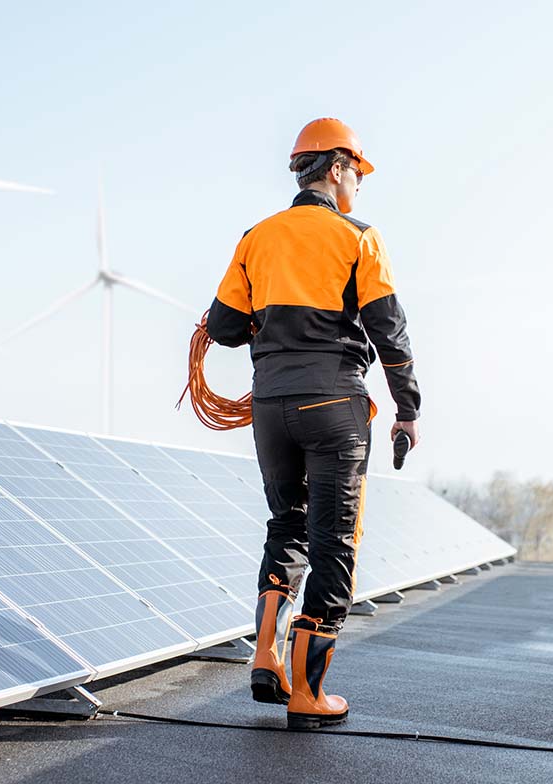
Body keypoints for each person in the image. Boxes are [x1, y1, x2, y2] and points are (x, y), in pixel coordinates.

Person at [206, 118, 421, 729]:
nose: (359, 185)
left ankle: (266, 654)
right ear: (336, 168)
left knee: (287, 525)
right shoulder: (359, 237)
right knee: (334, 542)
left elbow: (223, 328)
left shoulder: (256, 237)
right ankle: (309, 692)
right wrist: (408, 408)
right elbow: (388, 329)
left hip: (270, 406)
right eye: (357, 173)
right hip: (334, 406)